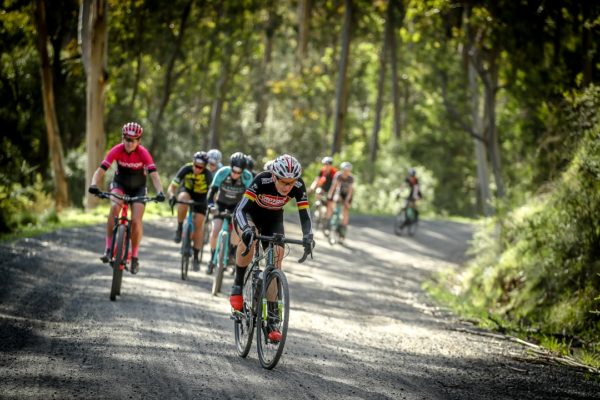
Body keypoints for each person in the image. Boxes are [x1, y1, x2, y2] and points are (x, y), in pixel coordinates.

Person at [231, 154, 314, 342]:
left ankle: (273, 319)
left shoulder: (298, 185)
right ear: (274, 176)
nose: (288, 187)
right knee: (249, 241)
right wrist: (245, 229)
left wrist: (308, 236)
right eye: (284, 182)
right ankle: (237, 284)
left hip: (273, 219)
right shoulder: (262, 180)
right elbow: (241, 209)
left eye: (291, 182)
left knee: (277, 256)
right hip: (250, 215)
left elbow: (305, 213)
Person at [88, 122, 166, 274]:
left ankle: (135, 257)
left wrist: (160, 192)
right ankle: (108, 248)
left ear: (139, 141)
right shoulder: (117, 150)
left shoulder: (143, 153)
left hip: (138, 188)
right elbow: (101, 170)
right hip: (120, 185)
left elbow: (154, 176)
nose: (129, 143)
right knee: (114, 207)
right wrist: (93, 184)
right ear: (122, 138)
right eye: (126, 139)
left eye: (133, 140)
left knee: (136, 221)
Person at [205, 152, 253, 274]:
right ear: (230, 167)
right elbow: (212, 191)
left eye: (239, 172)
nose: (236, 174)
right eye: (234, 171)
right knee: (215, 229)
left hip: (236, 207)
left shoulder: (247, 177)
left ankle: (231, 253)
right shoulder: (222, 172)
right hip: (221, 204)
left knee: (236, 232)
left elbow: (249, 197)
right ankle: (211, 259)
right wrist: (210, 205)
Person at [166, 151, 213, 271]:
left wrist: (212, 204)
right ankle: (180, 226)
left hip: (201, 198)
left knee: (199, 225)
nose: (196, 168)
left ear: (204, 167)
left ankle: (196, 257)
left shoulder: (208, 175)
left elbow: (213, 193)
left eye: (200, 167)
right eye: (195, 165)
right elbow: (172, 187)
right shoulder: (186, 169)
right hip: (187, 192)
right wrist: (171, 196)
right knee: (182, 198)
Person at [326, 161, 354, 240]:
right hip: (339, 193)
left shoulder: (351, 178)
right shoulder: (338, 175)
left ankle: (343, 232)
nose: (346, 173)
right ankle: (332, 223)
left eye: (347, 171)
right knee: (335, 202)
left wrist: (347, 201)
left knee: (345, 212)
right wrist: (330, 194)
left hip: (347, 195)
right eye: (344, 171)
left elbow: (350, 191)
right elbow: (334, 186)